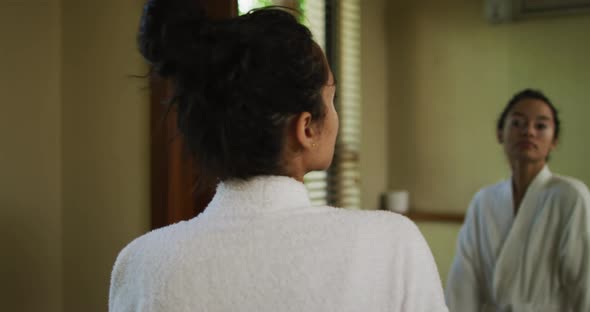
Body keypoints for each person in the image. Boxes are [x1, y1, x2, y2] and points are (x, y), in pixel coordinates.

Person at [109, 1, 448, 311]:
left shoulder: (140, 264)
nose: (335, 114)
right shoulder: (389, 246)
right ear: (306, 128)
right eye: (331, 98)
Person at [446, 89, 590, 311]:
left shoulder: (571, 197)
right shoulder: (483, 202)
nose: (529, 132)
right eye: (517, 123)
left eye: (541, 126)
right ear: (499, 133)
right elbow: (464, 282)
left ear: (554, 141)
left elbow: (584, 283)